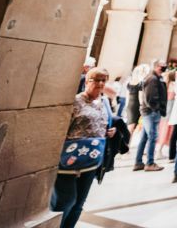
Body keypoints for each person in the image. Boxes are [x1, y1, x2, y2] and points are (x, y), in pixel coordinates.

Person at [52, 67, 116, 228]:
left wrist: (110, 131)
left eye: (104, 80)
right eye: (96, 79)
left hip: (92, 159)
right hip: (70, 159)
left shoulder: (104, 102)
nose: (101, 83)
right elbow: (61, 128)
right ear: (87, 81)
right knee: (66, 200)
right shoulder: (75, 101)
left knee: (79, 202)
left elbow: (103, 123)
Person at [134, 59, 167, 171]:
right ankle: (150, 163)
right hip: (150, 112)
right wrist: (157, 108)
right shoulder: (152, 78)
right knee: (152, 137)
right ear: (157, 66)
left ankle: (138, 162)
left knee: (144, 137)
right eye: (163, 65)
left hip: (150, 111)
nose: (165, 66)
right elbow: (150, 97)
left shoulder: (155, 78)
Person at [124, 65, 147, 135]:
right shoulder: (141, 83)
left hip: (129, 106)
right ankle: (127, 143)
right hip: (136, 106)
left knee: (129, 125)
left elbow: (127, 96)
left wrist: (126, 107)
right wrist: (142, 107)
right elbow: (141, 98)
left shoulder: (129, 83)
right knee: (132, 128)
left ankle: (126, 143)